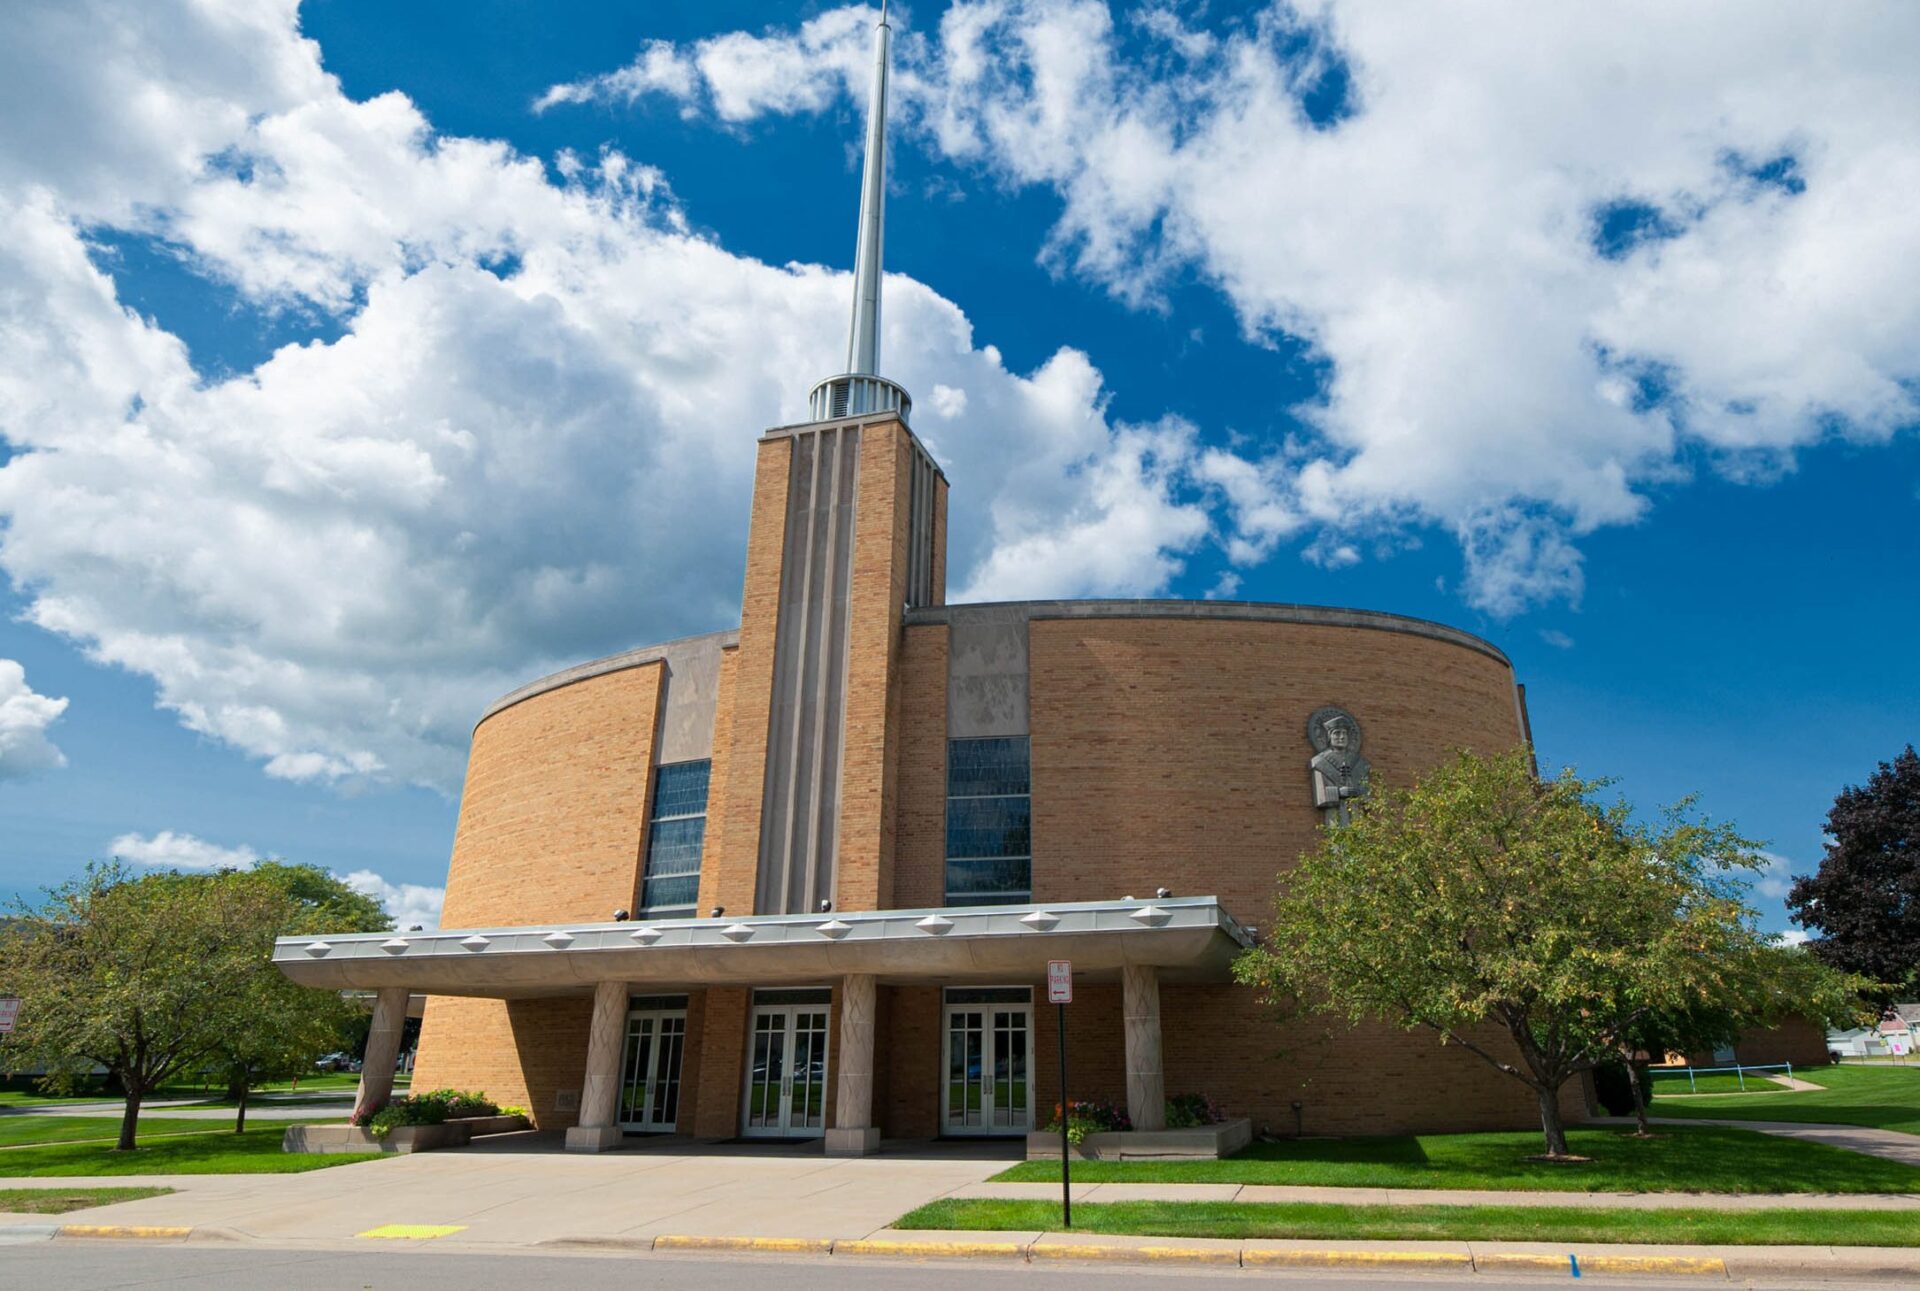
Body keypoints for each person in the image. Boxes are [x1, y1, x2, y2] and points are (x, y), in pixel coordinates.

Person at [1309, 711, 1370, 825]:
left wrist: (1358, 792)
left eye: (1344, 733)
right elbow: (1321, 794)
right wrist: (1339, 792)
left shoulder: (1360, 763)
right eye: (1337, 733)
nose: (1341, 737)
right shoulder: (1320, 762)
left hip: (1356, 813)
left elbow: (1366, 794)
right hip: (1335, 815)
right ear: (1329, 737)